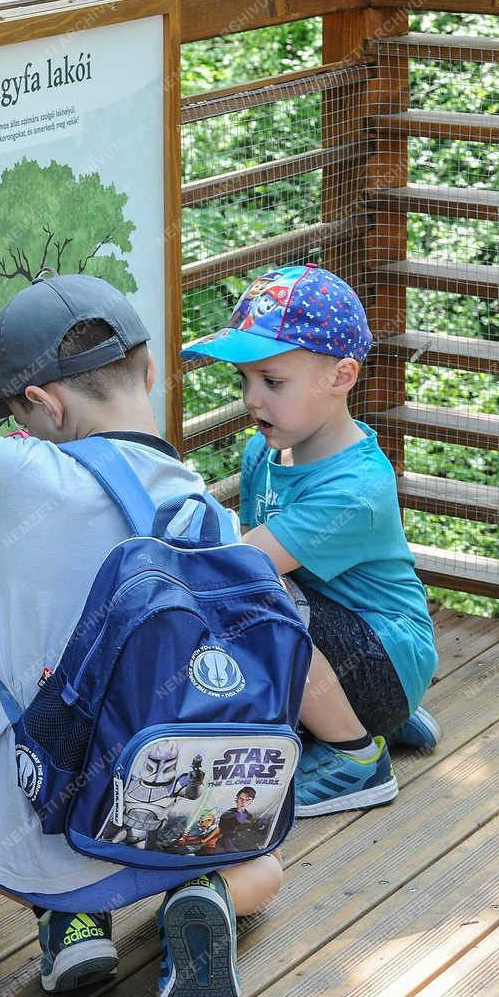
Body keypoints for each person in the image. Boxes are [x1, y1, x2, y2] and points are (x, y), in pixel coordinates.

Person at [0, 270, 283, 997]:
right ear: (148, 370)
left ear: (44, 408)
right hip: (188, 814)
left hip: (66, 828)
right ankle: (206, 892)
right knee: (266, 865)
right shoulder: (200, 507)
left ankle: (71, 918)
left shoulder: (11, 474)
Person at [184, 264, 440, 818]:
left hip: (380, 660)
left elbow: (244, 569)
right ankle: (369, 717)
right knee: (260, 594)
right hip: (345, 647)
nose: (252, 399)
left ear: (342, 376)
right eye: (245, 380)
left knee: (257, 595)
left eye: (272, 382)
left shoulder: (355, 488)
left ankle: (354, 756)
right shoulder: (265, 451)